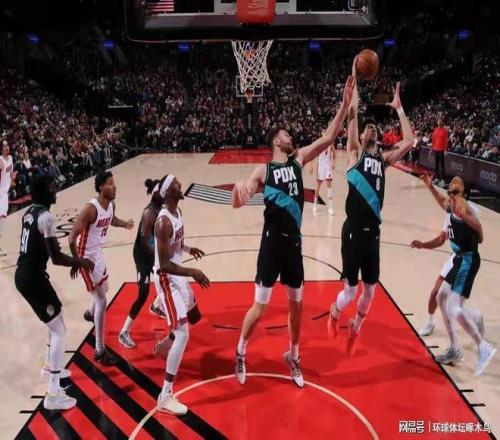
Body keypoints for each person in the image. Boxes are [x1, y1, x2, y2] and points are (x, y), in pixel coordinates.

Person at [232, 75, 355, 388]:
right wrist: (238, 191)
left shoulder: (298, 160)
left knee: (296, 305)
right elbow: (238, 201)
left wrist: (344, 105)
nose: (291, 136)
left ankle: (294, 356)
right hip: (271, 244)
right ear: (276, 141)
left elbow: (328, 138)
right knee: (261, 307)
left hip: (293, 245)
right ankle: (241, 350)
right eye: (286, 134)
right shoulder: (264, 170)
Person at [327, 67, 415, 356]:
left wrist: (399, 109)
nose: (371, 129)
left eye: (374, 128)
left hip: (373, 234)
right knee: (351, 292)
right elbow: (352, 115)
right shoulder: (354, 154)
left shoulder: (384, 160)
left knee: (370, 291)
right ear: (361, 136)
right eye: (367, 128)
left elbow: (409, 142)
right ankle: (335, 312)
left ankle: (355, 329)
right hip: (352, 231)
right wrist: (353, 86)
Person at [15, 176, 94, 410]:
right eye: (51, 187)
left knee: (56, 320)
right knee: (59, 329)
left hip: (26, 274)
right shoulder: (47, 217)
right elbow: (56, 258)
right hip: (32, 278)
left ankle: (50, 367)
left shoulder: (29, 213)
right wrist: (80, 262)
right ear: (43, 193)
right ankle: (53, 393)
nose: (55, 190)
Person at [415, 174, 496, 376]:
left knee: (453, 306)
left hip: (467, 259)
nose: (452, 182)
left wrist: (472, 225)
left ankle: (483, 347)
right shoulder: (452, 204)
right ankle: (455, 348)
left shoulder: (461, 204)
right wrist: (431, 187)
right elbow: (443, 204)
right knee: (441, 296)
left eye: (457, 181)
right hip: (458, 259)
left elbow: (479, 229)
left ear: (462, 190)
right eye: (451, 181)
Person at [153, 174, 210, 415]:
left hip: (177, 275)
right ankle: (164, 396)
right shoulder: (162, 223)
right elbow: (165, 264)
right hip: (166, 278)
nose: (180, 184)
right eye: (175, 184)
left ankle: (165, 345)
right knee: (183, 334)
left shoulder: (178, 213)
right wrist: (192, 271)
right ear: (168, 193)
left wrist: (189, 248)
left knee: (194, 317)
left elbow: (176, 244)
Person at [68, 171, 134, 365]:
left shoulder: (111, 205)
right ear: (100, 187)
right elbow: (71, 237)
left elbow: (111, 219)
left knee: (104, 288)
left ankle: (90, 313)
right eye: (109, 183)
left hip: (97, 253)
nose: (114, 186)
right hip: (86, 257)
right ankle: (99, 351)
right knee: (102, 300)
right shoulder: (90, 209)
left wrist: (124, 224)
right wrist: (77, 262)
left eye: (114, 183)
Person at [118, 178, 166, 348]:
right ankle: (124, 332)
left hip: (152, 253)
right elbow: (146, 241)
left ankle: (156, 306)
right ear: (157, 193)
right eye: (164, 192)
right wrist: (159, 255)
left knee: (167, 278)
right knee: (143, 292)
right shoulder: (149, 212)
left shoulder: (161, 209)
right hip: (142, 255)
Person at [310, 130, 336, 215]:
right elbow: (312, 154)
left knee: (329, 186)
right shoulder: (319, 144)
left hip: (327, 166)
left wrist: (333, 162)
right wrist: (311, 166)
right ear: (321, 134)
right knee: (318, 186)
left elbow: (334, 153)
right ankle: (314, 205)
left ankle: (330, 207)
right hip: (320, 166)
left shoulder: (330, 143)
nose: (325, 133)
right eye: (323, 132)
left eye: (326, 132)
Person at [0, 141, 17, 256]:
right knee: (1, 218)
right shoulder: (0, 161)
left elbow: (11, 175)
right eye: (4, 146)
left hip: (5, 194)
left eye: (7, 145)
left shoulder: (10, 158)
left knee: (3, 218)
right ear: (1, 149)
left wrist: (13, 178)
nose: (7, 147)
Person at [432, 118, 448, 187]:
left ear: (442, 123)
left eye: (440, 121)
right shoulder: (435, 129)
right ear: (437, 122)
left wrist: (445, 150)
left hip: (441, 150)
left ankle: (443, 180)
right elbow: (434, 139)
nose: (439, 122)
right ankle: (437, 178)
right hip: (436, 149)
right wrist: (432, 148)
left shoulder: (444, 130)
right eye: (438, 121)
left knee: (442, 165)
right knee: (436, 165)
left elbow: (446, 141)